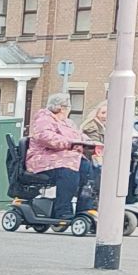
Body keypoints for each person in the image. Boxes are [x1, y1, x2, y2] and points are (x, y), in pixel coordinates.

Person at [25, 92, 90, 225]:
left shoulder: (68, 123)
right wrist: (71, 143)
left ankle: (84, 209)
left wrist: (88, 143)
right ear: (62, 108)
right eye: (68, 107)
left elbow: (79, 135)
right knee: (68, 171)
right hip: (42, 158)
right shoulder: (43, 119)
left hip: (63, 158)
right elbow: (46, 137)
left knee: (87, 168)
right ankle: (63, 210)